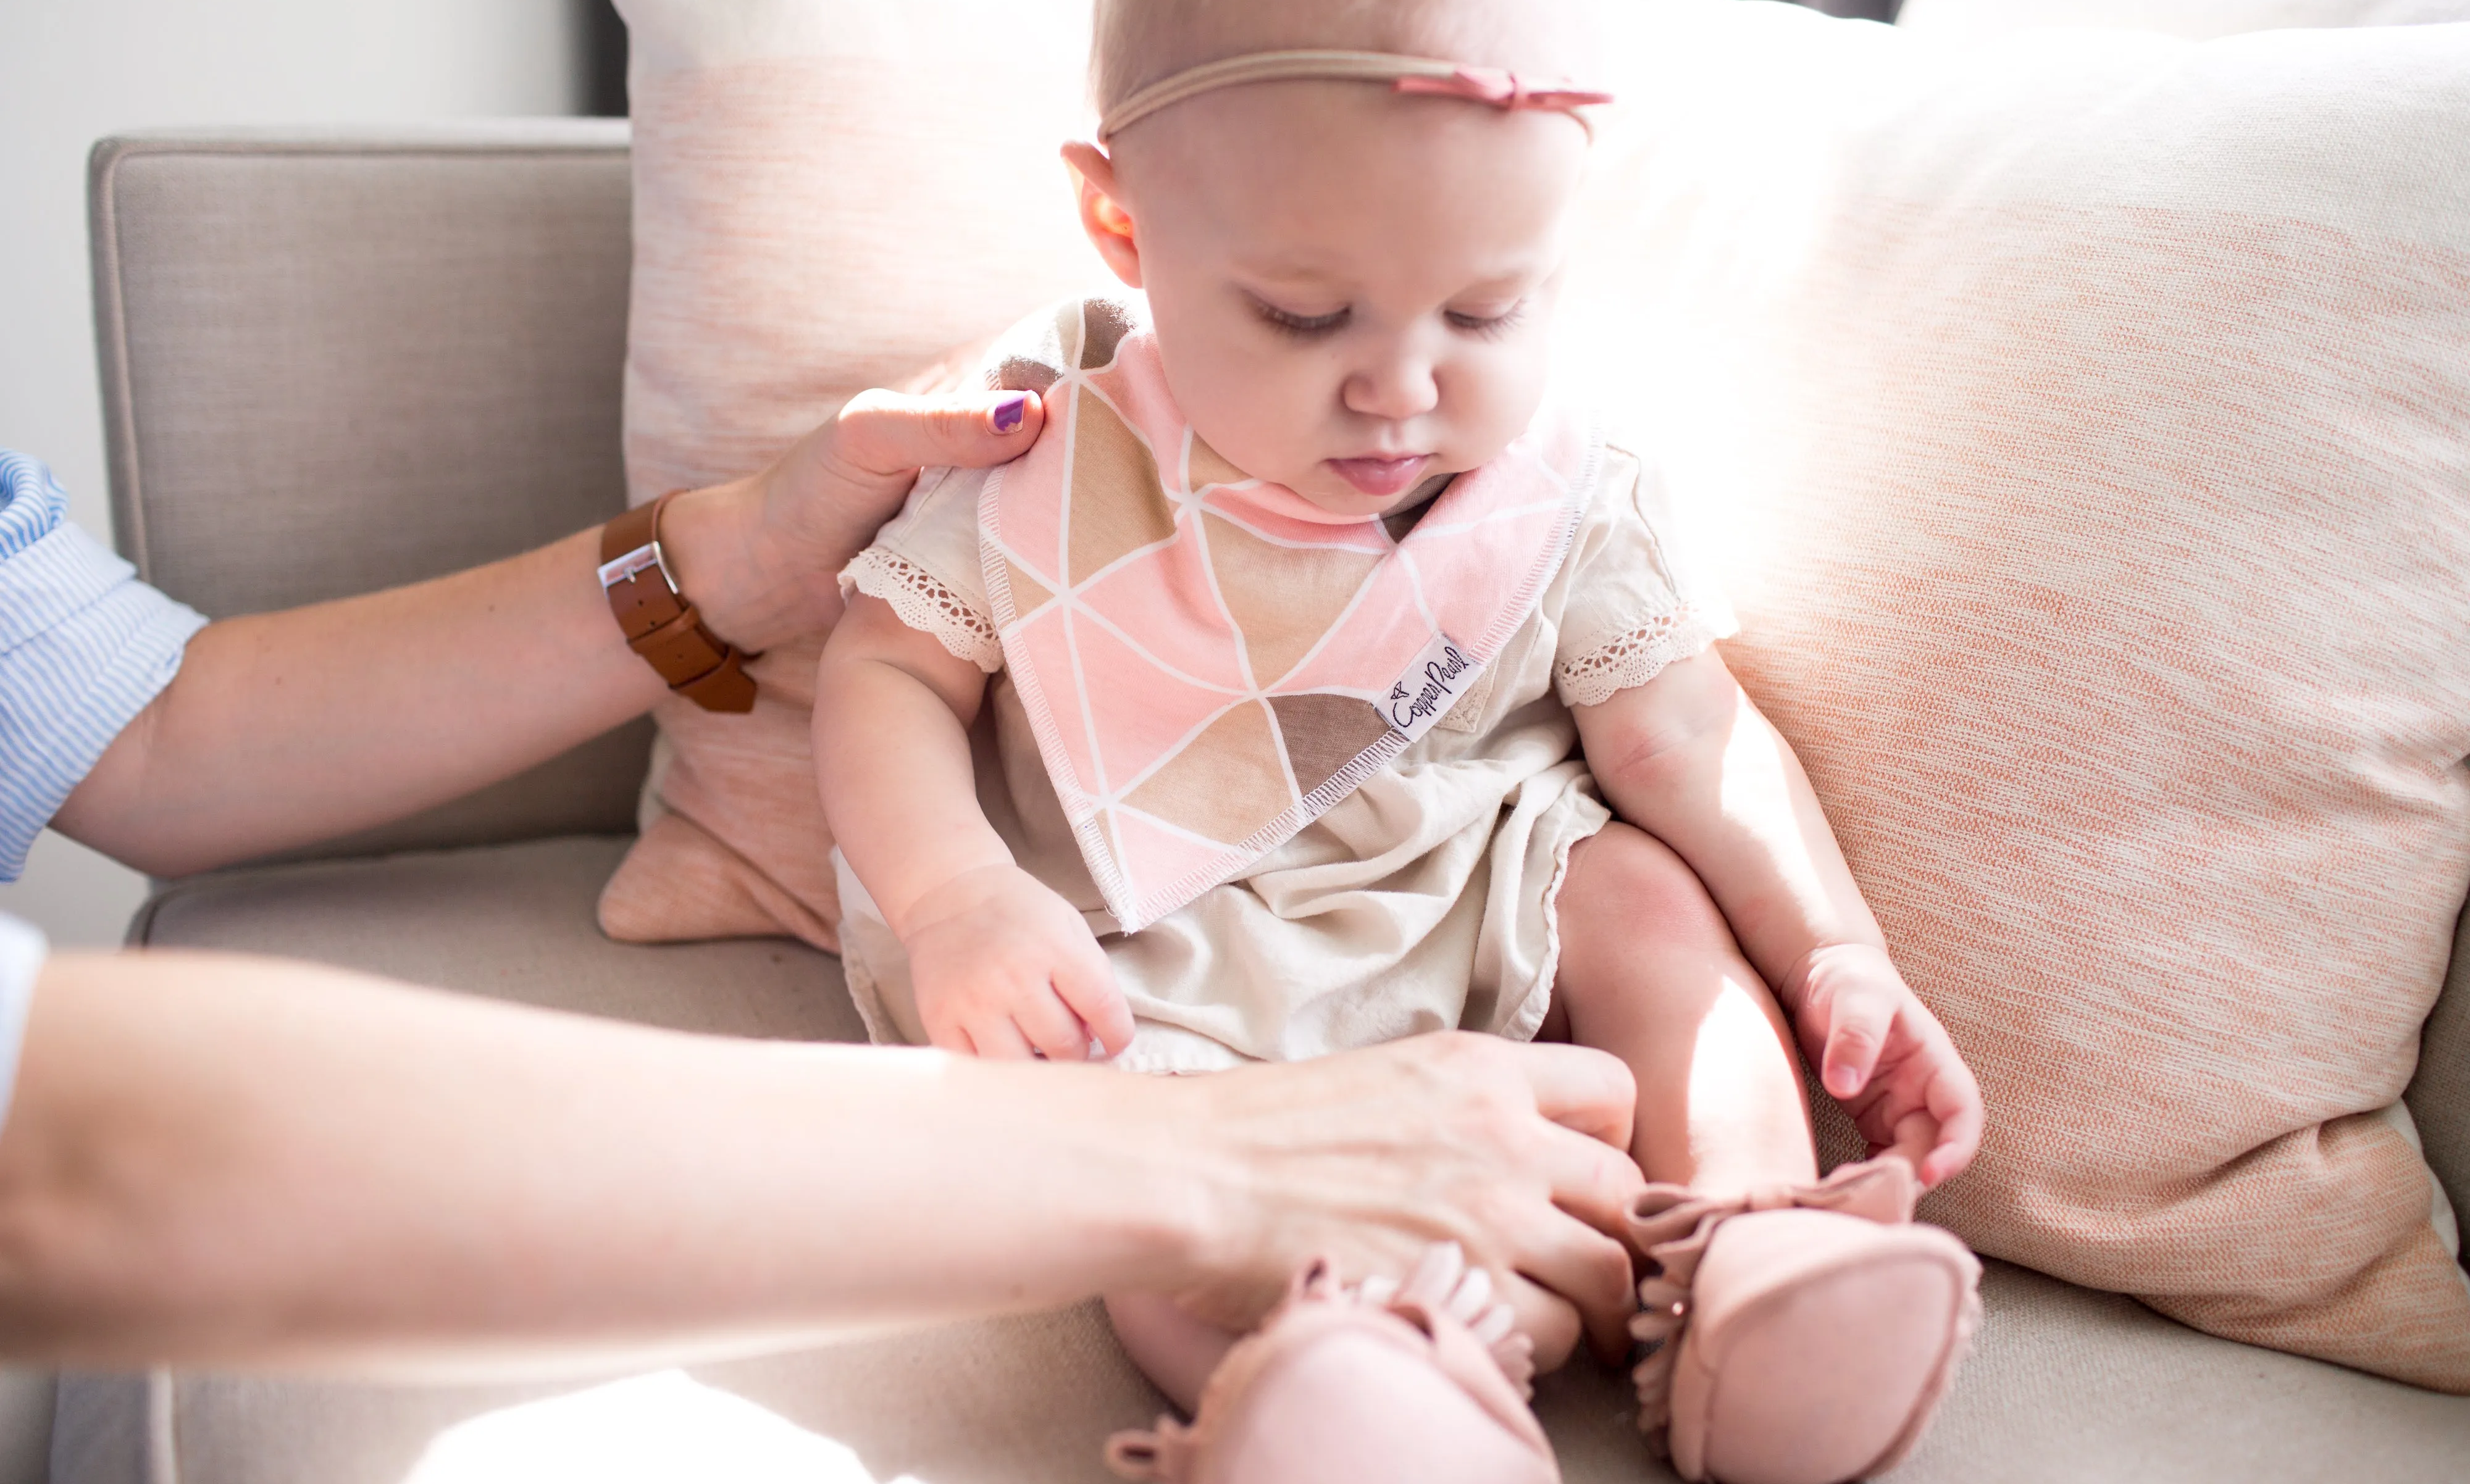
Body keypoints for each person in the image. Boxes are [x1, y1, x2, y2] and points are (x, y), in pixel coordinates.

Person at [812, 0, 1989, 1484]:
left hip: (1468, 889)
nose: (1402, 390)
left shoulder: (1560, 483)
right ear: (1121, 222)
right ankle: (1340, 1380)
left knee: (1646, 891)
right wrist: (954, 898)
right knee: (1115, 1135)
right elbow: (886, 673)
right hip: (1160, 944)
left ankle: (1756, 1248)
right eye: (1307, 316)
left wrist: (1838, 950)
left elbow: (1687, 736)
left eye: (1489, 311)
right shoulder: (1041, 441)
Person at [0, 389, 1650, 1374]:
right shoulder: (1061, 476)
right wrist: (1192, 1158)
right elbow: (61, 1163)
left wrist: (737, 555)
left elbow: (140, 731)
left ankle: (1755, 1256)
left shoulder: (1566, 484)